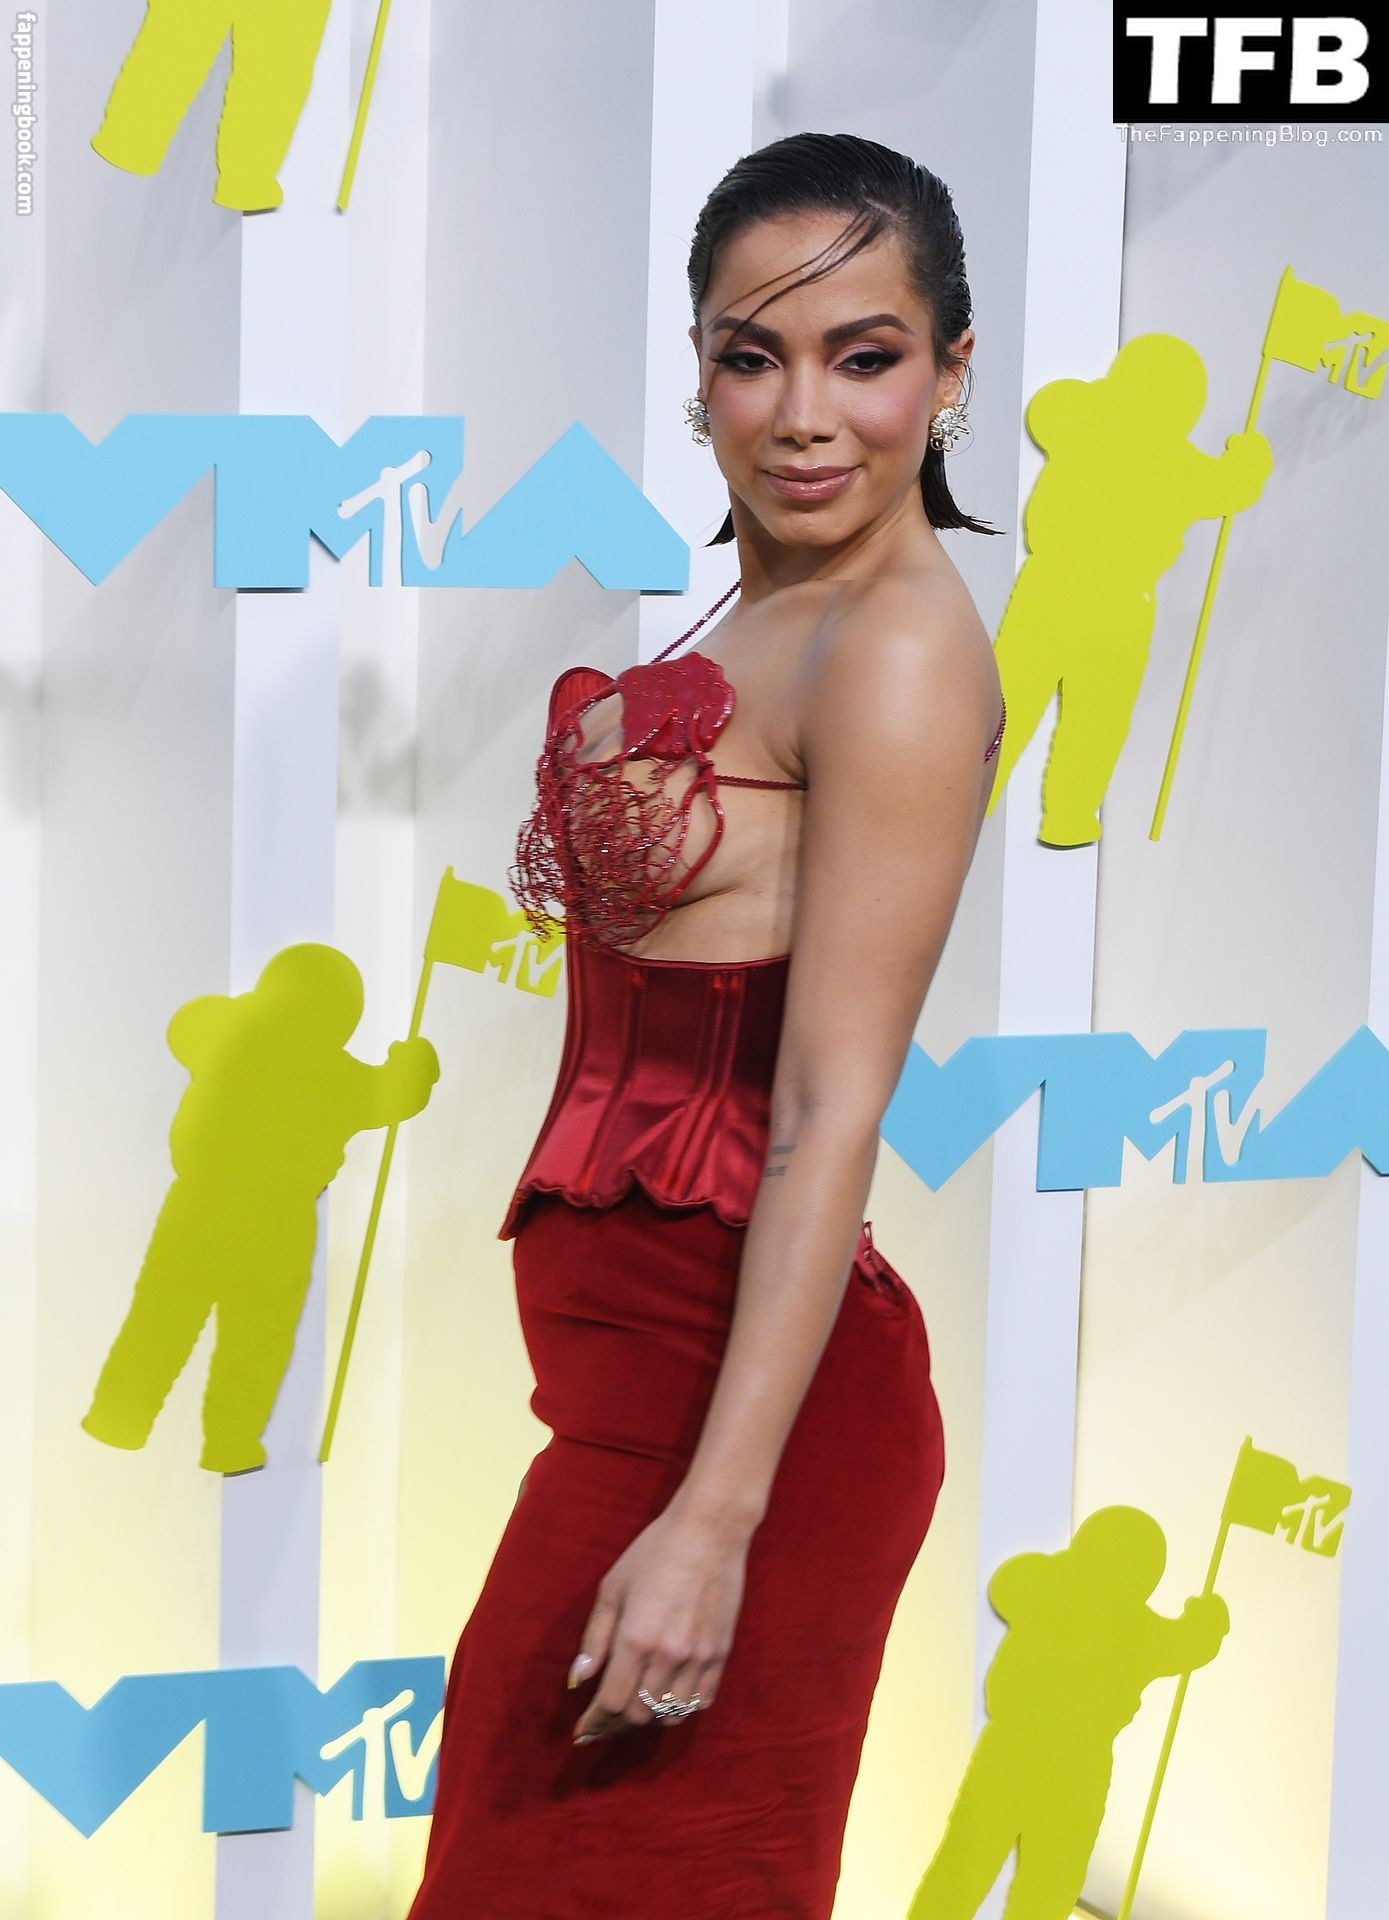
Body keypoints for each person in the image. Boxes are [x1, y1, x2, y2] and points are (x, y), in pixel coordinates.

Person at [406, 132, 1008, 1920]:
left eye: (863, 355)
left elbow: (826, 1110)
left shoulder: (895, 645)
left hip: (746, 1438)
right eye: (755, 356)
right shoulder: (766, 606)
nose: (805, 416)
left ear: (950, 371)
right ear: (699, 372)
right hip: (626, 1400)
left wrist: (716, 1522)